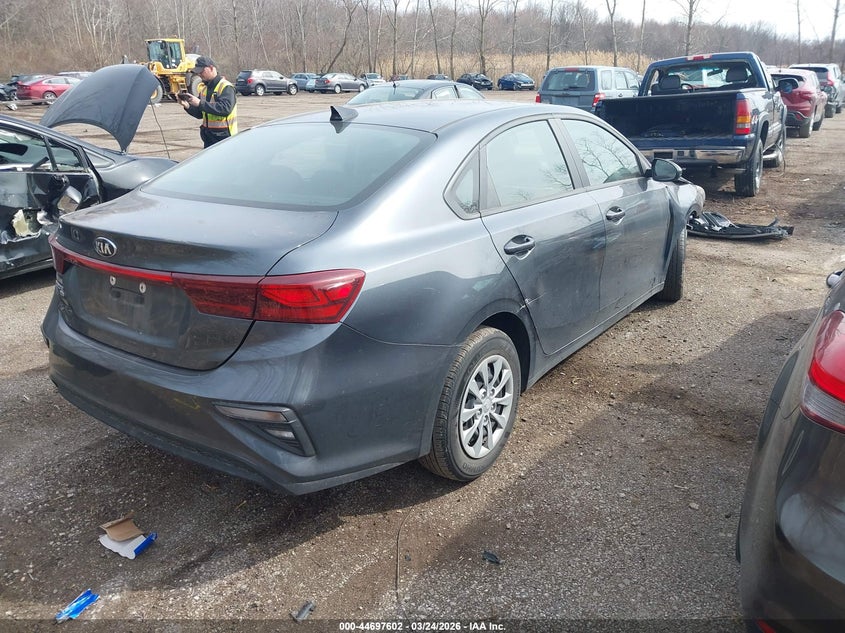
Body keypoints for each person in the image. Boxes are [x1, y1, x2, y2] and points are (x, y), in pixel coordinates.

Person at [178, 56, 238, 148]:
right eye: (198, 72)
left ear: (211, 68)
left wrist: (199, 103)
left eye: (202, 71)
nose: (199, 74)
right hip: (209, 138)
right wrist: (187, 106)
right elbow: (200, 114)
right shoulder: (204, 89)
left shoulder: (226, 87)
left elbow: (225, 109)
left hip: (225, 138)